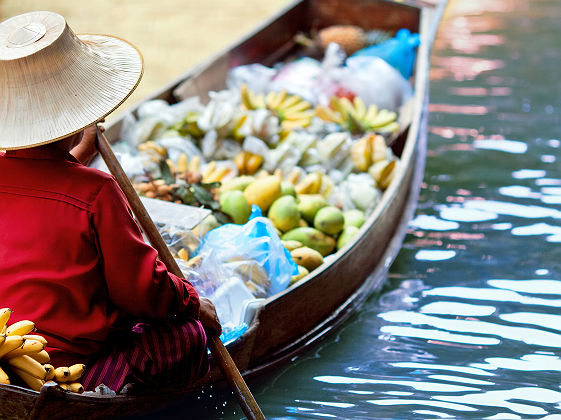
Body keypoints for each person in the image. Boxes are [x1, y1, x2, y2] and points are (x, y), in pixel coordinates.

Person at [0, 11, 221, 392]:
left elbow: (42, 189)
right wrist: (192, 303)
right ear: (79, 115)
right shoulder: (96, 192)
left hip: (5, 352)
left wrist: (74, 161)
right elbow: (141, 294)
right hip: (61, 366)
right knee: (185, 336)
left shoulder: (81, 188)